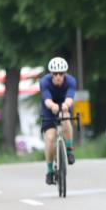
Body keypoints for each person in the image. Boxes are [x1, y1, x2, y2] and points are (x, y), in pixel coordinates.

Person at [40, 57, 77, 185]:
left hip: (63, 105)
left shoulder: (71, 81)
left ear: (65, 74)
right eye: (55, 74)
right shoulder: (44, 82)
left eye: (61, 73)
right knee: (50, 138)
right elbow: (46, 99)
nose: (58, 76)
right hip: (49, 109)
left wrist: (66, 105)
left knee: (65, 116)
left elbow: (70, 97)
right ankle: (50, 171)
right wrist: (52, 106)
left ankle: (69, 149)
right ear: (51, 74)